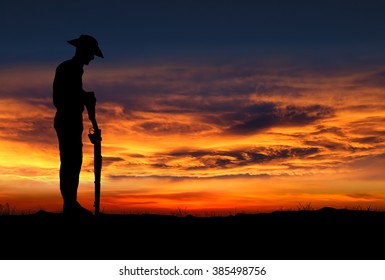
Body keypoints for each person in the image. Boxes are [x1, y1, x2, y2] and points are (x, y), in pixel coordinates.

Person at [53, 34, 103, 216]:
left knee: (73, 161)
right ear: (85, 50)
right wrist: (84, 97)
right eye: (91, 53)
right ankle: (70, 205)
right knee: (70, 162)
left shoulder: (73, 69)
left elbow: (73, 93)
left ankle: (70, 203)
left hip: (71, 120)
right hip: (67, 120)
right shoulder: (70, 69)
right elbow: (61, 98)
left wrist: (85, 97)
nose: (92, 58)